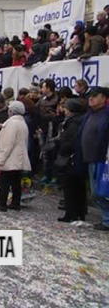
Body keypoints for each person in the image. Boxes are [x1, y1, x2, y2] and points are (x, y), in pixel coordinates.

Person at [74, 86, 109, 231]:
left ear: (104, 98)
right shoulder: (90, 113)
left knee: (100, 192)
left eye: (95, 95)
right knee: (96, 192)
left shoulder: (106, 114)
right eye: (90, 95)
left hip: (103, 159)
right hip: (89, 158)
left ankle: (107, 220)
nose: (91, 98)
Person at [0, 101, 31, 212]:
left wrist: (0, 161)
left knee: (5, 181)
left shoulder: (12, 124)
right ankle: (15, 202)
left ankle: (1, 203)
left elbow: (7, 144)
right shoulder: (22, 123)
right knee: (15, 181)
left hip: (11, 157)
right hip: (19, 157)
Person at [55, 99, 86, 222]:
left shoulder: (73, 122)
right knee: (76, 186)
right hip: (74, 157)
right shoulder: (76, 120)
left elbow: (70, 141)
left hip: (71, 157)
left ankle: (71, 213)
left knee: (71, 186)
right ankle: (77, 212)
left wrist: (62, 147)